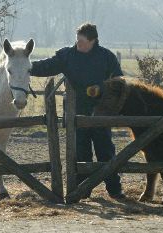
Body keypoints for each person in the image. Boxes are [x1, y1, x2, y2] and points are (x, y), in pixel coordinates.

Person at [30, 22, 125, 199]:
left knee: (105, 151)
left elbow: (119, 81)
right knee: (81, 153)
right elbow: (48, 65)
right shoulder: (68, 55)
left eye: (81, 41)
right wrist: (28, 68)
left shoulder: (106, 57)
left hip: (101, 113)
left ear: (93, 40)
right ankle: (83, 191)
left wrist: (101, 89)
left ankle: (115, 190)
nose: (78, 44)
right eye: (77, 40)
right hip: (75, 113)